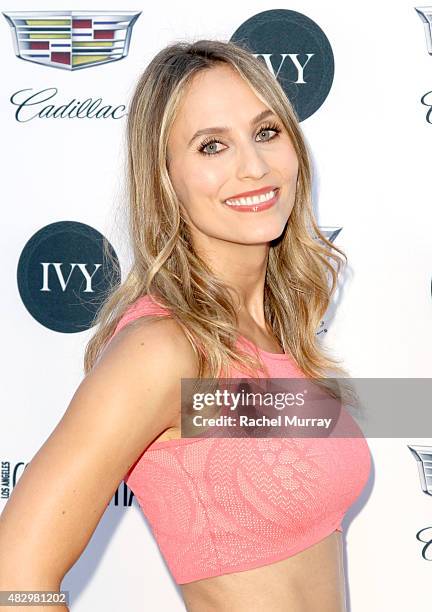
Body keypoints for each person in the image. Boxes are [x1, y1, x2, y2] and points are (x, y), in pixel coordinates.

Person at [0, 39, 371, 611]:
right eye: (212, 146)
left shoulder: (279, 333)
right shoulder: (163, 349)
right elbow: (16, 570)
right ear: (165, 177)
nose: (254, 166)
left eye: (267, 132)